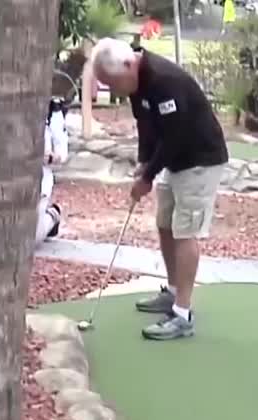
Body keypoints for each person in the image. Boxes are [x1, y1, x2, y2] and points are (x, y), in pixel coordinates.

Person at [89, 38, 229, 341]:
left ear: (128, 65)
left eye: (113, 83)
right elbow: (146, 126)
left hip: (200, 159)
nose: (113, 91)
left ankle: (182, 314)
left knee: (184, 231)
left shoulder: (165, 81)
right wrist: (143, 162)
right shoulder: (135, 84)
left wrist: (147, 176)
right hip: (175, 159)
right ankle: (174, 290)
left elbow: (174, 137)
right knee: (165, 224)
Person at [35, 96, 68, 252]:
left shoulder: (52, 111)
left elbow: (62, 153)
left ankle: (53, 216)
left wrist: (47, 156)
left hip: (41, 182)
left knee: (32, 238)